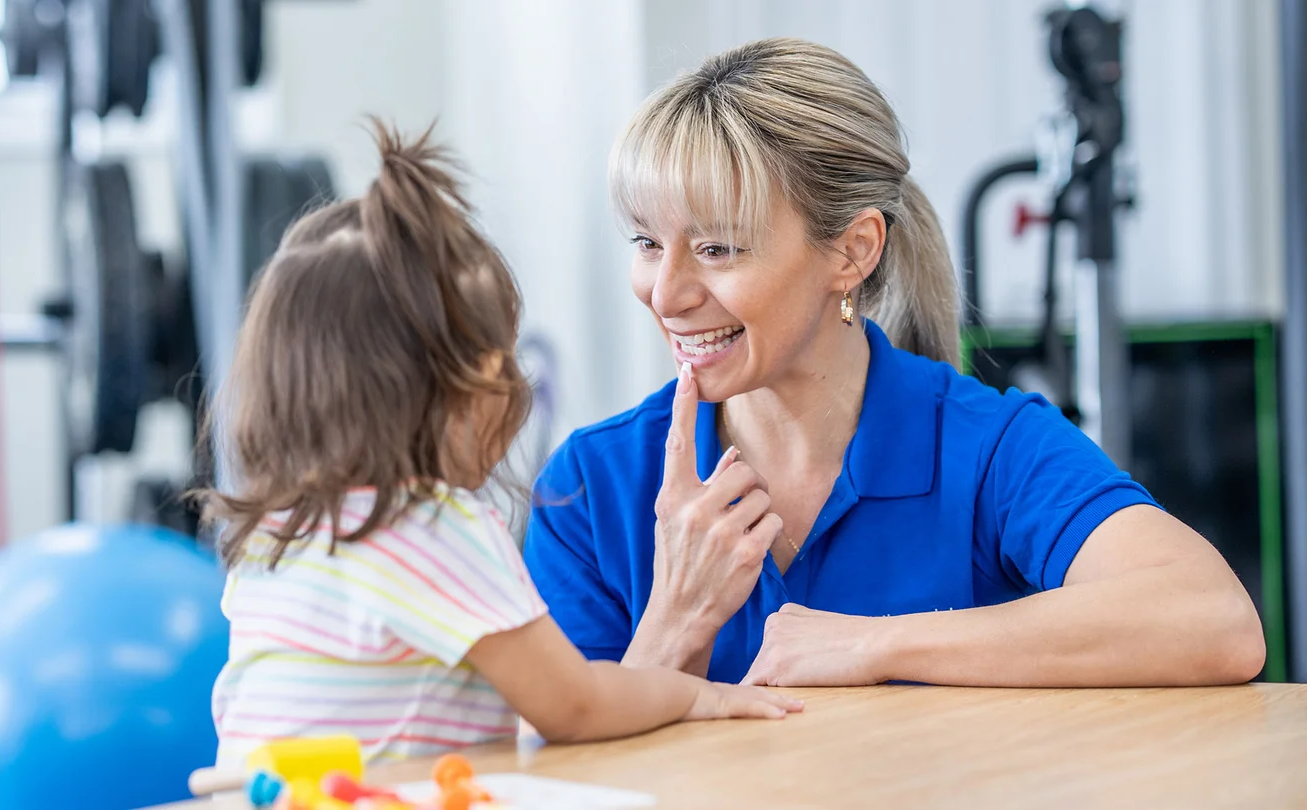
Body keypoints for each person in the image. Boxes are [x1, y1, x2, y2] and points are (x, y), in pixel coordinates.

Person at [523, 38, 1266, 688]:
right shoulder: (591, 484)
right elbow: (554, 773)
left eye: (718, 248)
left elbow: (1214, 620)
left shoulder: (985, 448)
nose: (665, 293)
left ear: (853, 251)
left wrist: (873, 645)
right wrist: (675, 623)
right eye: (648, 244)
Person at [202, 123, 801, 769]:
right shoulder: (434, 528)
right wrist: (696, 696)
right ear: (484, 382)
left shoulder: (273, 531)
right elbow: (573, 707)